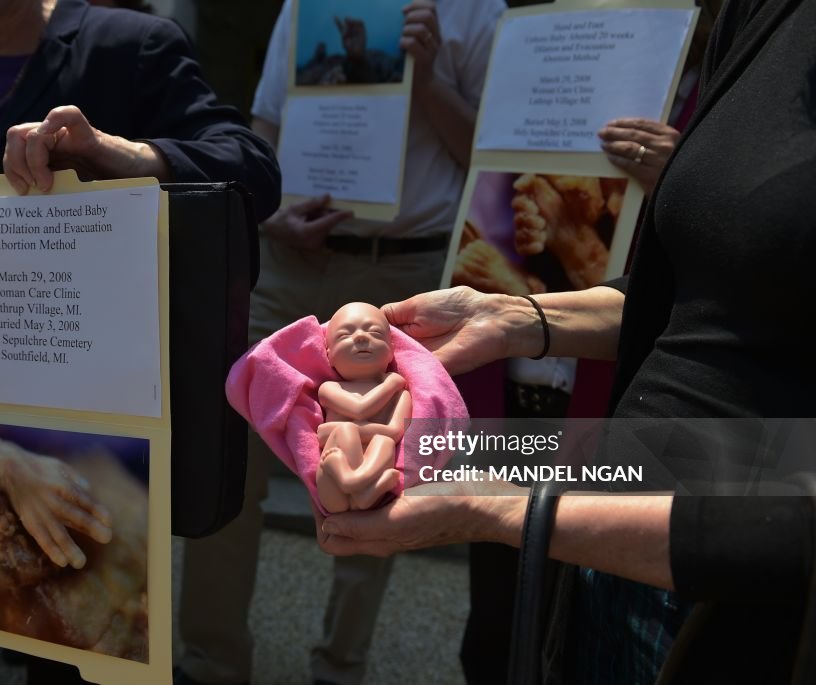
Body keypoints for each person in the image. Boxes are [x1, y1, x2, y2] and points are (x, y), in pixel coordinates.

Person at [316, 0, 816, 681]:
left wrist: (495, 507)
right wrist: (516, 318)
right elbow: (706, 297)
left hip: (729, 586)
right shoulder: (757, 16)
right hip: (626, 502)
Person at [0, 1, 280, 682]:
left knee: (65, 651)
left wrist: (119, 154)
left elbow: (251, 170)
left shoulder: (131, 45)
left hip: (72, 430)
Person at [176, 1, 503, 684]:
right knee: (228, 451)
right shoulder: (308, 6)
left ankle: (340, 666)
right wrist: (270, 215)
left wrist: (429, 74)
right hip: (294, 264)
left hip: (407, 272)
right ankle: (210, 661)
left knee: (381, 465)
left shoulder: (481, 10)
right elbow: (264, 134)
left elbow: (491, 158)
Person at [317, 303, 409, 514]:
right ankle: (352, 481)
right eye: (344, 335)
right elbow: (359, 409)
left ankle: (358, 483)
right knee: (346, 430)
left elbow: (395, 433)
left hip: (367, 494)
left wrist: (332, 430)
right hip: (333, 489)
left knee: (382, 441)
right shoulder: (330, 389)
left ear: (391, 351)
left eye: (374, 332)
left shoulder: (401, 396)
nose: (360, 337)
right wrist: (389, 385)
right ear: (329, 355)